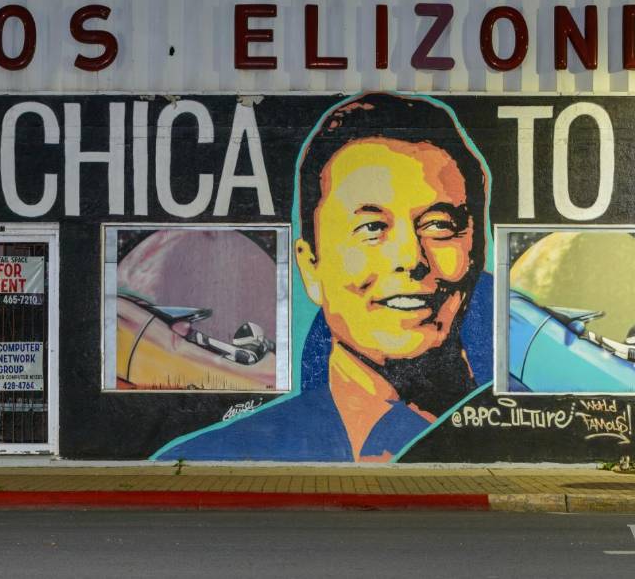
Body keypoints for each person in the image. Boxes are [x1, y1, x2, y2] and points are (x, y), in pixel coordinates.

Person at [155, 93, 494, 462]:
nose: (411, 258)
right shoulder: (211, 460)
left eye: (439, 225)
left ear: (478, 251)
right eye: (371, 227)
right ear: (310, 266)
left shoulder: (527, 426)